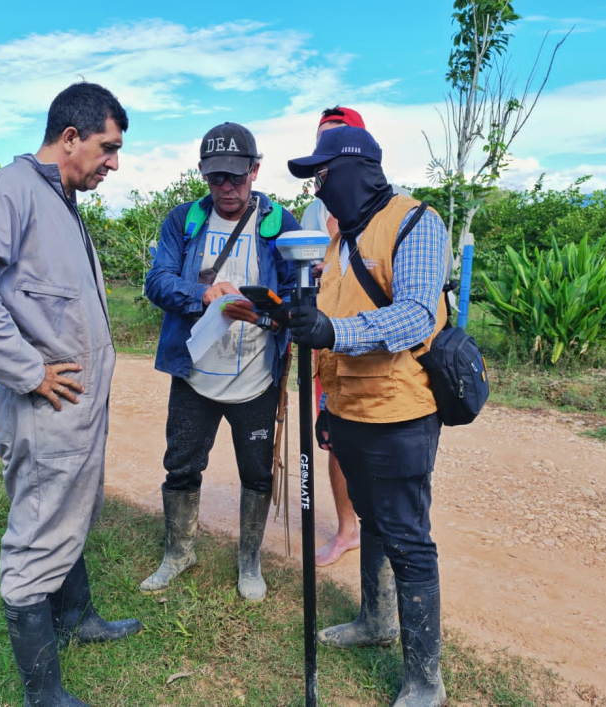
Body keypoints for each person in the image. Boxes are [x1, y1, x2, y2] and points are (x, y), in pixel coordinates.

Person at [0, 82, 142, 707]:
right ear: (69, 137)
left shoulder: (60, 197)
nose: (114, 162)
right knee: (36, 536)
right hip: (45, 408)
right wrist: (27, 369)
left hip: (72, 411)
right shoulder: (13, 190)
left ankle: (76, 618)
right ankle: (43, 693)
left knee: (67, 513)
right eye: (108, 147)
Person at [287, 126, 451, 707]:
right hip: (351, 411)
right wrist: (327, 404)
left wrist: (332, 329)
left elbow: (413, 316)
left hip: (401, 412)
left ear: (355, 170)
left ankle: (424, 680)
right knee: (374, 524)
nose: (320, 190)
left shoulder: (416, 222)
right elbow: (332, 327)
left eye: (323, 176)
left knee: (407, 535)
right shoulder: (339, 242)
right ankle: (375, 619)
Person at [140, 122, 298, 603]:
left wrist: (270, 311)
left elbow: (299, 294)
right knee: (181, 466)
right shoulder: (183, 221)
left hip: (256, 378)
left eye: (236, 177)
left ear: (255, 169)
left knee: (256, 472)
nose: (227, 189)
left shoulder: (279, 224)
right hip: (195, 374)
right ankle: (178, 552)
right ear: (204, 176)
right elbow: (157, 281)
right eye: (216, 179)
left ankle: (249, 562)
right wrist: (202, 293)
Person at [300, 106, 367, 568]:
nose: (329, 149)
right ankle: (348, 529)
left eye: (339, 137)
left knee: (381, 441)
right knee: (334, 438)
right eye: (322, 138)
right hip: (329, 347)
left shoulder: (396, 202)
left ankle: (384, 535)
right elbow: (305, 273)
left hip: (380, 352)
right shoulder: (313, 208)